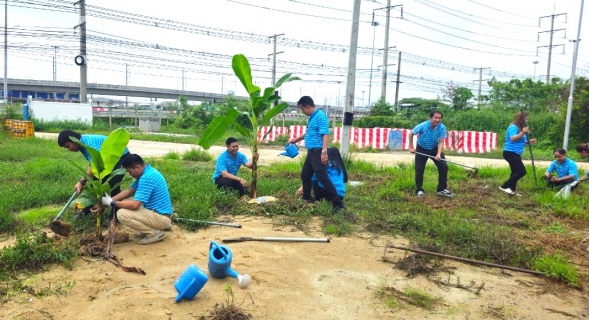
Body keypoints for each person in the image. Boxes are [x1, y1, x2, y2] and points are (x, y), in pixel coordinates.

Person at [289, 96, 346, 212]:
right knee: (305, 175)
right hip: (311, 152)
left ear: (307, 106)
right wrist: (295, 140)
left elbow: (325, 134)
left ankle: (338, 203)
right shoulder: (312, 117)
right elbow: (308, 133)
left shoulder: (320, 116)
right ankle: (306, 198)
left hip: (318, 152)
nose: (303, 112)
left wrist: (324, 152)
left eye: (302, 109)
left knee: (323, 177)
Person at [101, 154, 173, 245]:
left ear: (137, 167)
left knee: (122, 214)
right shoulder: (148, 171)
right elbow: (129, 191)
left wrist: (112, 203)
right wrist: (109, 200)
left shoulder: (146, 178)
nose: (130, 175)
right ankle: (154, 227)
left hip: (161, 218)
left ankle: (154, 233)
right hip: (159, 213)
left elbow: (135, 205)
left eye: (130, 171)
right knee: (125, 201)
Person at [58, 129, 130, 219]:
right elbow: (92, 163)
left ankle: (115, 214)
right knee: (94, 185)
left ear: (73, 140)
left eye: (68, 146)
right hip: (106, 160)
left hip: (120, 157)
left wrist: (81, 181)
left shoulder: (89, 144)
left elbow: (96, 163)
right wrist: (84, 181)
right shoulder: (82, 144)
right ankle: (87, 210)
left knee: (112, 183)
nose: (69, 149)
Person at [408, 110, 453, 198]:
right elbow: (411, 134)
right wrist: (411, 147)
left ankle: (441, 189)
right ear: (430, 118)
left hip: (435, 149)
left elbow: (441, 142)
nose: (437, 120)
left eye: (439, 118)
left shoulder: (442, 127)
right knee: (419, 170)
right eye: (435, 118)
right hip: (421, 148)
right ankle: (419, 190)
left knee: (443, 167)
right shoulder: (423, 126)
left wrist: (439, 154)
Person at [498, 111, 537, 196]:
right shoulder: (513, 127)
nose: (527, 121)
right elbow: (513, 139)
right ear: (520, 119)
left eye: (527, 119)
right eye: (525, 119)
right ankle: (505, 186)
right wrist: (523, 132)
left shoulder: (520, 128)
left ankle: (511, 190)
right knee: (521, 171)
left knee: (515, 172)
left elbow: (520, 141)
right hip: (510, 152)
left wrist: (529, 141)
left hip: (515, 153)